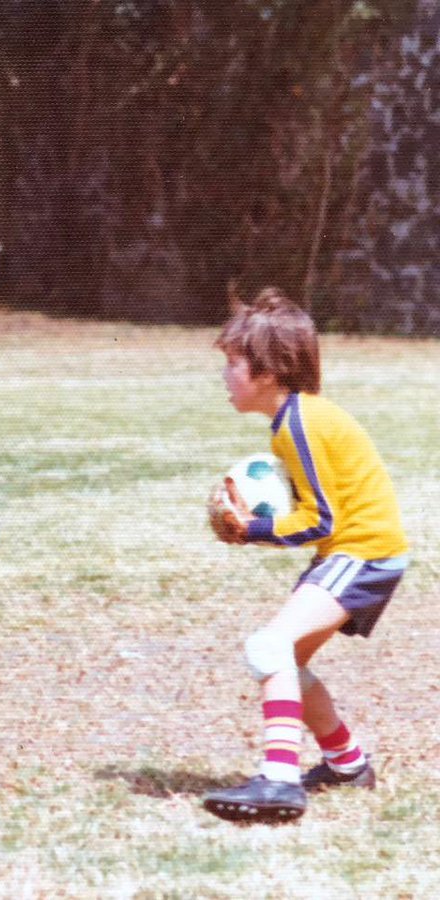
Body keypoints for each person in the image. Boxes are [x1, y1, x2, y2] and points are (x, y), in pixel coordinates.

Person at [203, 288, 409, 823]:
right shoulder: (298, 419)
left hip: (361, 552)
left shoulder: (299, 425)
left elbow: (323, 520)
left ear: (268, 373)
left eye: (233, 363)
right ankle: (347, 763)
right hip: (365, 551)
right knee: (286, 660)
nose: (224, 375)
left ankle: (279, 781)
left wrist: (254, 529)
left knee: (268, 646)